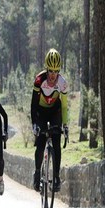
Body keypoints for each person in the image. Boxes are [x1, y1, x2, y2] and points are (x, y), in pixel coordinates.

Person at [31, 48, 69, 192]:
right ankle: (37, 172)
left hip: (54, 111)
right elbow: (33, 104)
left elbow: (64, 106)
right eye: (50, 71)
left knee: (56, 141)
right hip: (40, 111)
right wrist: (34, 123)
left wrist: (65, 125)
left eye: (56, 71)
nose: (53, 75)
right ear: (46, 69)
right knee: (40, 144)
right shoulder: (39, 80)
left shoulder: (62, 83)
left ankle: (57, 177)